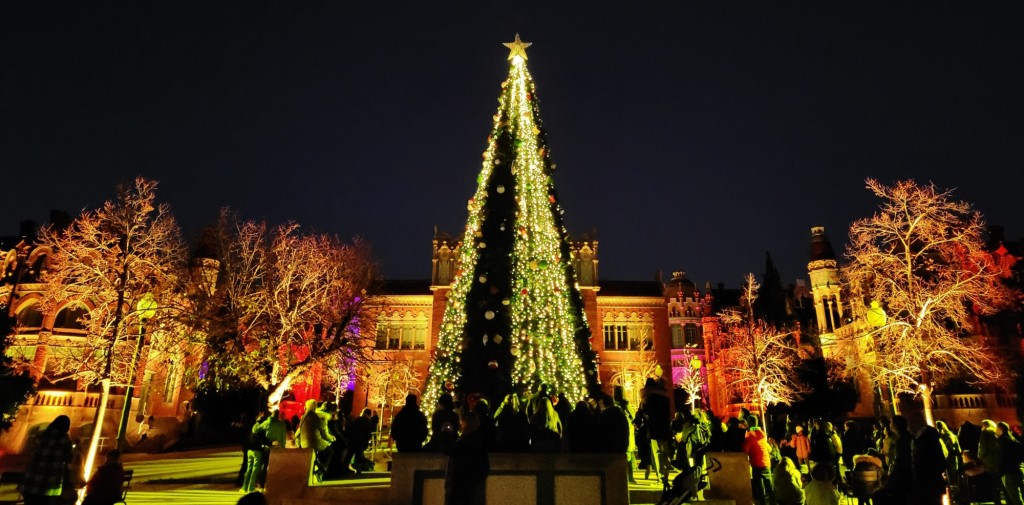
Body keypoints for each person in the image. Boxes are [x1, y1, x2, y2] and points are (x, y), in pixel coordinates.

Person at [22, 415, 74, 505]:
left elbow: (32, 452)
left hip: (32, 480)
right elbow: (68, 458)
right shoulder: (65, 440)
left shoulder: (41, 436)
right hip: (51, 482)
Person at [444, 411, 489, 505]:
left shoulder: (466, 440)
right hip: (470, 488)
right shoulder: (478, 440)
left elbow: (452, 451)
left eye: (462, 422)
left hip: (462, 488)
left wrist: (446, 435)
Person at [908, 410, 946, 505]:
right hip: (923, 484)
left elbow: (939, 460)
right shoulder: (916, 438)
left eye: (910, 423)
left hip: (930, 484)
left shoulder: (928, 438)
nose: (908, 427)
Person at [641, 378, 672, 489]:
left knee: (657, 453)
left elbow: (646, 413)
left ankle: (661, 478)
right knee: (665, 453)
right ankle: (666, 476)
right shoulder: (666, 398)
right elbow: (669, 414)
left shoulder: (650, 398)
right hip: (665, 429)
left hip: (654, 429)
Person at [296, 399, 334, 481]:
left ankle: (317, 465)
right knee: (329, 451)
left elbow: (298, 433)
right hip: (315, 443)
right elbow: (324, 434)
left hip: (303, 444)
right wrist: (332, 438)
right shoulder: (317, 418)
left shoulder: (303, 417)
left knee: (320, 448)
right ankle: (322, 469)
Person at [742, 415, 775, 505]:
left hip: (756, 464)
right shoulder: (762, 434)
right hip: (766, 462)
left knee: (759, 487)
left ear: (748, 423)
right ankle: (773, 502)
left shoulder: (749, 437)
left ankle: (762, 503)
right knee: (769, 485)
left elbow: (745, 450)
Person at [996, 422, 1024, 505]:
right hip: (1018, 471)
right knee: (1019, 495)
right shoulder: (1014, 440)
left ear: (1000, 430)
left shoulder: (1002, 441)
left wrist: (1000, 472)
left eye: (996, 429)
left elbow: (1001, 458)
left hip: (1008, 473)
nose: (995, 431)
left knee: (1014, 498)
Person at [347, 408, 375, 473]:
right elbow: (368, 432)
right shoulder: (368, 421)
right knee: (358, 455)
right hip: (362, 441)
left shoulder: (357, 420)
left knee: (351, 454)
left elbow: (352, 429)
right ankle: (361, 467)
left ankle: (351, 467)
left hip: (354, 440)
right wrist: (368, 440)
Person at [935, 420, 961, 486]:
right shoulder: (953, 436)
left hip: (946, 460)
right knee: (954, 477)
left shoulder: (940, 438)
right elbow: (958, 450)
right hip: (954, 459)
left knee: (949, 479)